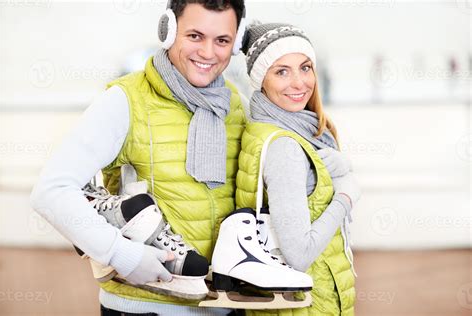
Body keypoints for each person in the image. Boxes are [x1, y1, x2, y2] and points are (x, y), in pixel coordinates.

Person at [30, 1, 246, 315]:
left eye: (222, 40)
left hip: (224, 304)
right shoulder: (125, 100)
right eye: (195, 36)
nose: (209, 52)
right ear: (168, 31)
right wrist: (123, 256)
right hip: (147, 305)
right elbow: (51, 191)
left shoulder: (234, 101)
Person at [236, 23, 361, 315]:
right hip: (305, 303)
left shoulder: (284, 129)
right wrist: (346, 198)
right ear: (260, 80)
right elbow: (299, 254)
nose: (299, 83)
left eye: (305, 68)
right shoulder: (286, 147)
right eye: (282, 71)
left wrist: (339, 168)